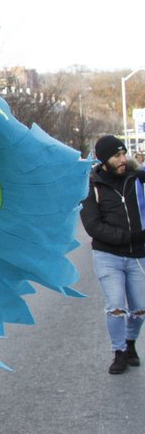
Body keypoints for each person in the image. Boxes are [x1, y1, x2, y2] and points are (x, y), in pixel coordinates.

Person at [80, 135, 145, 375]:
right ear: (104, 159)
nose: (123, 159)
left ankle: (130, 344)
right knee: (116, 304)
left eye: (124, 154)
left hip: (138, 255)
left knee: (139, 308)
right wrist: (130, 237)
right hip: (108, 256)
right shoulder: (91, 187)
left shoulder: (136, 179)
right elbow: (93, 226)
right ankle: (118, 353)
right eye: (117, 155)